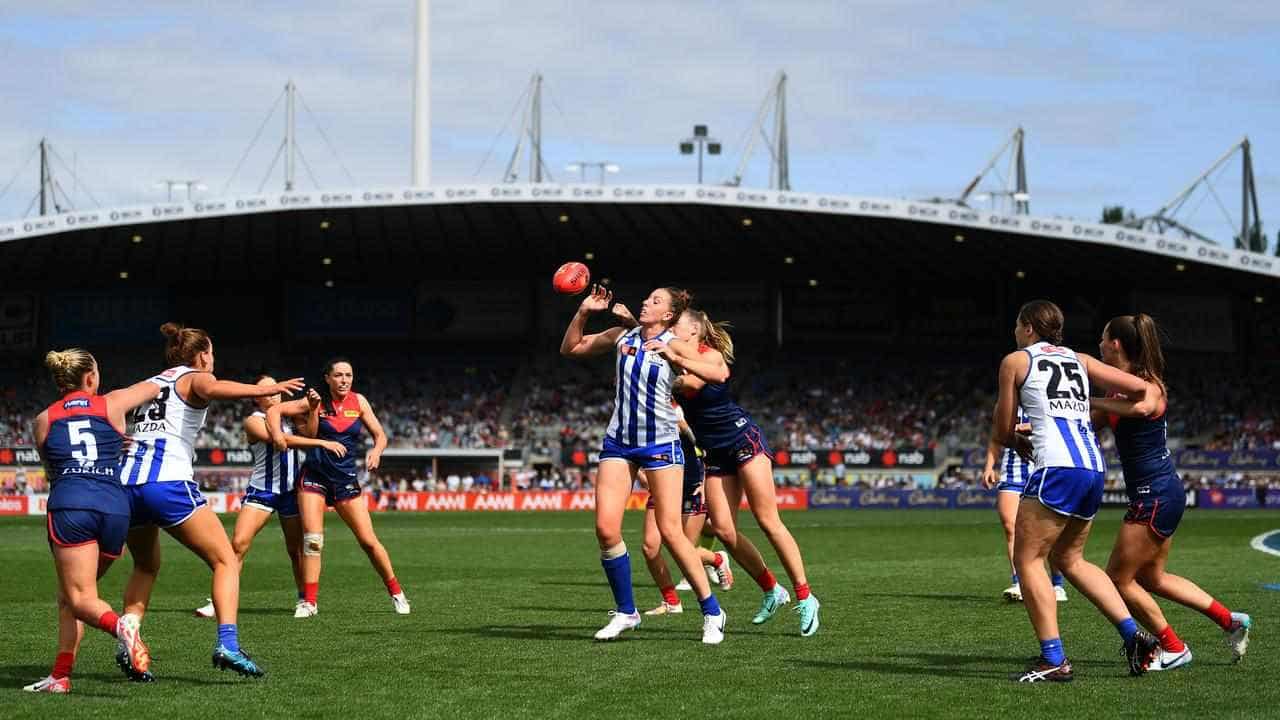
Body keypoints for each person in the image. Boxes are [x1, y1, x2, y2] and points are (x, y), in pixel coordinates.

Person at [119, 323, 304, 678]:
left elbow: (113, 402)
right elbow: (213, 387)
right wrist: (269, 389)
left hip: (128, 485)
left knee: (145, 565)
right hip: (167, 481)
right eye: (212, 353)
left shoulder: (152, 382)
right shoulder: (192, 376)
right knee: (226, 561)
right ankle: (228, 644)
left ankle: (130, 632)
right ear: (202, 354)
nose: (213, 359)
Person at [992, 300, 1158, 683]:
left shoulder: (1015, 361)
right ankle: (1134, 636)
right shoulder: (1081, 359)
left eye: (1018, 325)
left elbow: (1003, 429)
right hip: (1092, 467)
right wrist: (1085, 405)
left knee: (1029, 561)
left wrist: (1017, 442)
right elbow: (1142, 391)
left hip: (1056, 466)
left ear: (1030, 328)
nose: (1016, 331)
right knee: (1071, 559)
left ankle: (1054, 658)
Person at [560, 285, 726, 644]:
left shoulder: (676, 342)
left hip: (660, 443)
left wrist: (674, 357)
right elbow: (571, 348)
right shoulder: (624, 335)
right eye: (646, 297)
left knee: (670, 532)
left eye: (654, 300)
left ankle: (712, 611)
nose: (645, 302)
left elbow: (719, 374)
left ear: (668, 314)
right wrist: (584, 311)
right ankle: (626, 612)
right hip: (619, 441)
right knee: (606, 530)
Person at [1092, 314, 1251, 669]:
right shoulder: (1116, 390)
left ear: (1115, 344)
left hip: (1155, 495)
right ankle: (1231, 621)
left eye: (1103, 339)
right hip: (1159, 494)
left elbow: (1146, 407)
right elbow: (1089, 424)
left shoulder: (1149, 384)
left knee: (1118, 578)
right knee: (1152, 578)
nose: (1099, 345)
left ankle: (1173, 646)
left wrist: (1095, 402)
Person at [655, 308, 820, 636]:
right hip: (715, 454)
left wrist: (669, 356)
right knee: (724, 531)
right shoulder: (673, 355)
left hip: (743, 439)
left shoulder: (710, 356)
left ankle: (806, 597)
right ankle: (773, 590)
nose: (670, 331)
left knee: (768, 520)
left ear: (693, 332)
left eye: (675, 326)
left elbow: (690, 382)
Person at [23, 349, 158, 693]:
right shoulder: (113, 403)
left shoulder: (43, 420)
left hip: (72, 505)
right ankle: (60, 676)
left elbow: (53, 469)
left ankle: (122, 628)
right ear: (90, 378)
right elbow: (155, 388)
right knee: (72, 598)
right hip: (115, 509)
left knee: (80, 598)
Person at [194, 378, 347, 619]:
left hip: (291, 492)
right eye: (268, 391)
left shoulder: (291, 417)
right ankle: (218, 601)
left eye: (277, 390)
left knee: (295, 550)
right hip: (262, 490)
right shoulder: (254, 421)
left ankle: (304, 600)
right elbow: (282, 442)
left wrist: (314, 408)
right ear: (259, 396)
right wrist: (321, 442)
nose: (275, 394)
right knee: (238, 545)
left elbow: (310, 429)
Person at [267, 358, 408, 616]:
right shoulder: (315, 400)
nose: (344, 380)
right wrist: (281, 433)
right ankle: (309, 602)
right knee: (312, 540)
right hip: (314, 478)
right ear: (327, 378)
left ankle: (397, 593)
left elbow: (381, 435)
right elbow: (276, 413)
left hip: (345, 481)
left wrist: (376, 451)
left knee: (368, 541)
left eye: (349, 375)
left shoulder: (359, 402)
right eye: (339, 375)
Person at [641, 407, 732, 616]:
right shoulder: (638, 409)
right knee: (650, 547)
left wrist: (706, 481)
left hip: (691, 483)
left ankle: (716, 559)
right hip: (663, 481)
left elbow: (707, 446)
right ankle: (672, 602)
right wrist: (640, 474)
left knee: (683, 550)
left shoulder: (686, 405)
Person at [982, 407, 1068, 603]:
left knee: (1050, 532)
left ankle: (1057, 584)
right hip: (1012, 473)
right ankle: (1019, 583)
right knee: (1010, 527)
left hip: (1043, 469)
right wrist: (989, 466)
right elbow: (996, 438)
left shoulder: (1044, 398)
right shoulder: (1004, 405)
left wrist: (1026, 427)